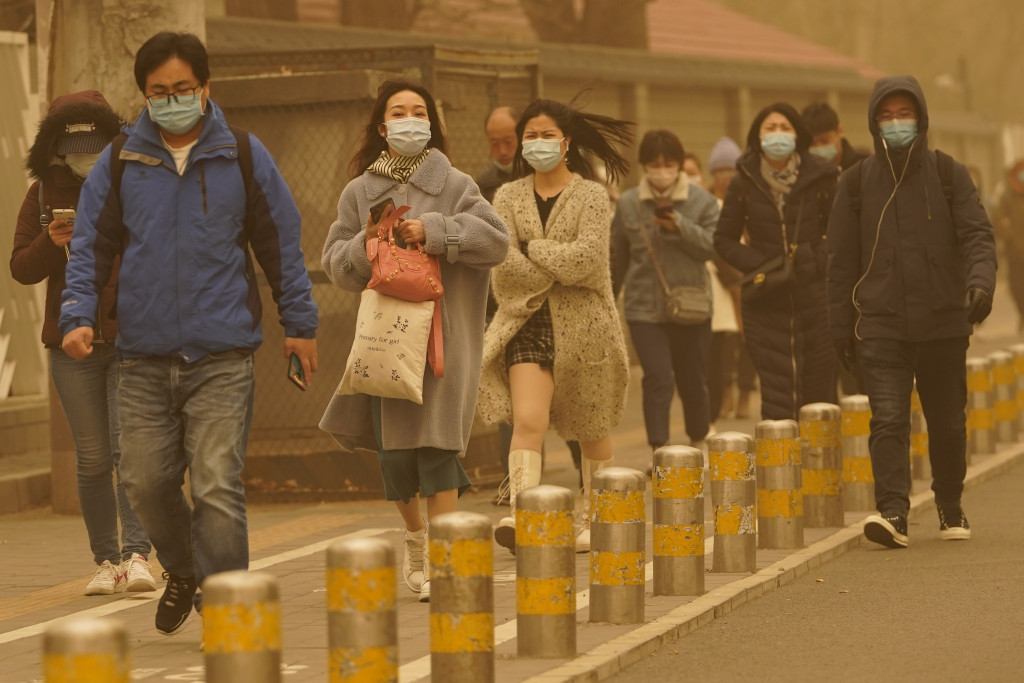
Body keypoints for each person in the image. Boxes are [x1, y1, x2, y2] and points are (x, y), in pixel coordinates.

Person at [59, 32, 319, 634]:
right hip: (140, 357)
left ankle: (231, 619)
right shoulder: (121, 160)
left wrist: (299, 325)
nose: (171, 100)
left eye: (182, 89)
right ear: (143, 96)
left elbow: (280, 245)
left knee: (216, 485)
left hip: (222, 353)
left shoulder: (243, 155)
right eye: (158, 92)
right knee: (145, 484)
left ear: (206, 88)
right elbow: (91, 247)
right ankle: (182, 569)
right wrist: (77, 315)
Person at [319, 81, 509, 601]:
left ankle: (446, 564)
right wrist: (367, 242)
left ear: (431, 124)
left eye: (418, 112)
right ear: (382, 127)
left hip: (444, 343)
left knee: (436, 449)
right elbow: (334, 263)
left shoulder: (457, 183)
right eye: (398, 113)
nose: (409, 120)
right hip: (387, 341)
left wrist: (437, 230)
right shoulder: (359, 191)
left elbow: (496, 241)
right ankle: (417, 537)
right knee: (396, 458)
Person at [826, 75, 996, 548]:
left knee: (947, 421)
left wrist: (980, 284)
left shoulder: (948, 174)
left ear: (921, 119)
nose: (896, 123)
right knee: (888, 419)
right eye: (887, 115)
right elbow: (839, 262)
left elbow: (977, 235)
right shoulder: (856, 183)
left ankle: (949, 502)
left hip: (943, 321)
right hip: (880, 324)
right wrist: (840, 325)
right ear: (873, 121)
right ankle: (894, 512)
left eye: (905, 114)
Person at [10, 90, 155, 596]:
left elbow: (159, 247)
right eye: (73, 148)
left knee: (129, 449)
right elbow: (20, 268)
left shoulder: (133, 182)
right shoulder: (42, 194)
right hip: (68, 342)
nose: (83, 157)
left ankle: (139, 554)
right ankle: (106, 560)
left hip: (128, 335)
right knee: (92, 457)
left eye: (93, 145)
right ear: (54, 148)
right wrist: (52, 245)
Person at [477, 97, 632, 554]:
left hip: (587, 328)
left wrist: (534, 249)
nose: (537, 143)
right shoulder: (506, 196)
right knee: (528, 420)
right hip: (527, 322)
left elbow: (587, 260)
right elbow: (503, 268)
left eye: (547, 135)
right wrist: (546, 260)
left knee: (592, 426)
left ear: (566, 142)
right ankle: (524, 516)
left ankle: (596, 517)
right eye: (530, 136)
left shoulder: (590, 195)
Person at [477, 105, 584, 501]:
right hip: (513, 308)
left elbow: (585, 258)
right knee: (519, 407)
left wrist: (533, 250)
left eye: (509, 140)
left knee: (575, 405)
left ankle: (585, 475)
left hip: (571, 314)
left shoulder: (574, 189)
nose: (504, 149)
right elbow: (499, 254)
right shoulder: (488, 186)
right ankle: (519, 489)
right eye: (496, 143)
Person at [714, 103, 838, 420]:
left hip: (815, 297)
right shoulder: (744, 182)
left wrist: (814, 261)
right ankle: (782, 465)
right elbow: (724, 240)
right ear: (758, 136)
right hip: (766, 297)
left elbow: (839, 234)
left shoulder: (821, 178)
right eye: (770, 128)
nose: (778, 134)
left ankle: (819, 467)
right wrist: (762, 262)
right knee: (776, 392)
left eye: (785, 127)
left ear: (798, 135)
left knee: (819, 391)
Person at [611, 130, 719, 453]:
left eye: (669, 163)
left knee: (692, 379)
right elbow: (618, 257)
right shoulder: (629, 204)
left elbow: (714, 247)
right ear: (643, 165)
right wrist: (608, 305)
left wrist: (681, 227)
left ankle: (698, 440)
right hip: (644, 309)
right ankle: (660, 451)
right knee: (657, 379)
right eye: (654, 164)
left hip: (692, 307)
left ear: (680, 165)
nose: (662, 171)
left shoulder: (702, 201)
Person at [707, 136, 756, 419]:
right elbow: (713, 246)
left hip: (749, 283)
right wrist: (733, 279)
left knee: (750, 341)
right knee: (725, 344)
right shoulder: (708, 204)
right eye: (720, 172)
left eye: (731, 171)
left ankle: (746, 394)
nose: (726, 178)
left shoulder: (747, 203)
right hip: (722, 286)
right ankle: (725, 393)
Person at [994, 159, 1024, 330]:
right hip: (1014, 252)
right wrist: (1010, 235)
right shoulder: (1006, 197)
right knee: (1016, 288)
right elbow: (998, 222)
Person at [801, 102, 865, 172]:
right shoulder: (802, 171)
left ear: (840, 131)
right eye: (811, 144)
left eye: (824, 141)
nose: (818, 148)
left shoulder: (861, 168)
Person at [476, 106, 519, 203]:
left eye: (508, 142)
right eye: (495, 144)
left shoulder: (538, 176)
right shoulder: (485, 184)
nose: (502, 151)